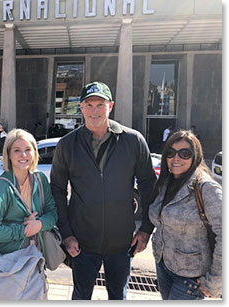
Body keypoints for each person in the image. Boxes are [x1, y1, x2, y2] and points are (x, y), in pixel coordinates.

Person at [50, 81, 157, 300]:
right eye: (89, 104)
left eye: (100, 104)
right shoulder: (68, 145)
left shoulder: (133, 140)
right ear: (81, 107)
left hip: (121, 243)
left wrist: (146, 228)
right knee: (81, 296)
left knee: (118, 296)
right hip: (81, 242)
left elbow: (148, 185)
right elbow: (57, 190)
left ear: (111, 106)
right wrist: (67, 234)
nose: (94, 110)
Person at [0, 129, 57, 299]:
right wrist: (23, 230)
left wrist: (40, 224)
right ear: (8, 155)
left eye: (28, 149)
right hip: (8, 266)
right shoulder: (2, 186)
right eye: (16, 150)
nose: (23, 154)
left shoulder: (40, 180)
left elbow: (52, 212)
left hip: (35, 262)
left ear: (34, 152)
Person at [148, 130, 221, 300]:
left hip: (191, 277)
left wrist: (214, 282)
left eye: (185, 153)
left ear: (195, 156)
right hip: (164, 266)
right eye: (171, 153)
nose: (176, 158)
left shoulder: (207, 189)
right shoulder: (166, 183)